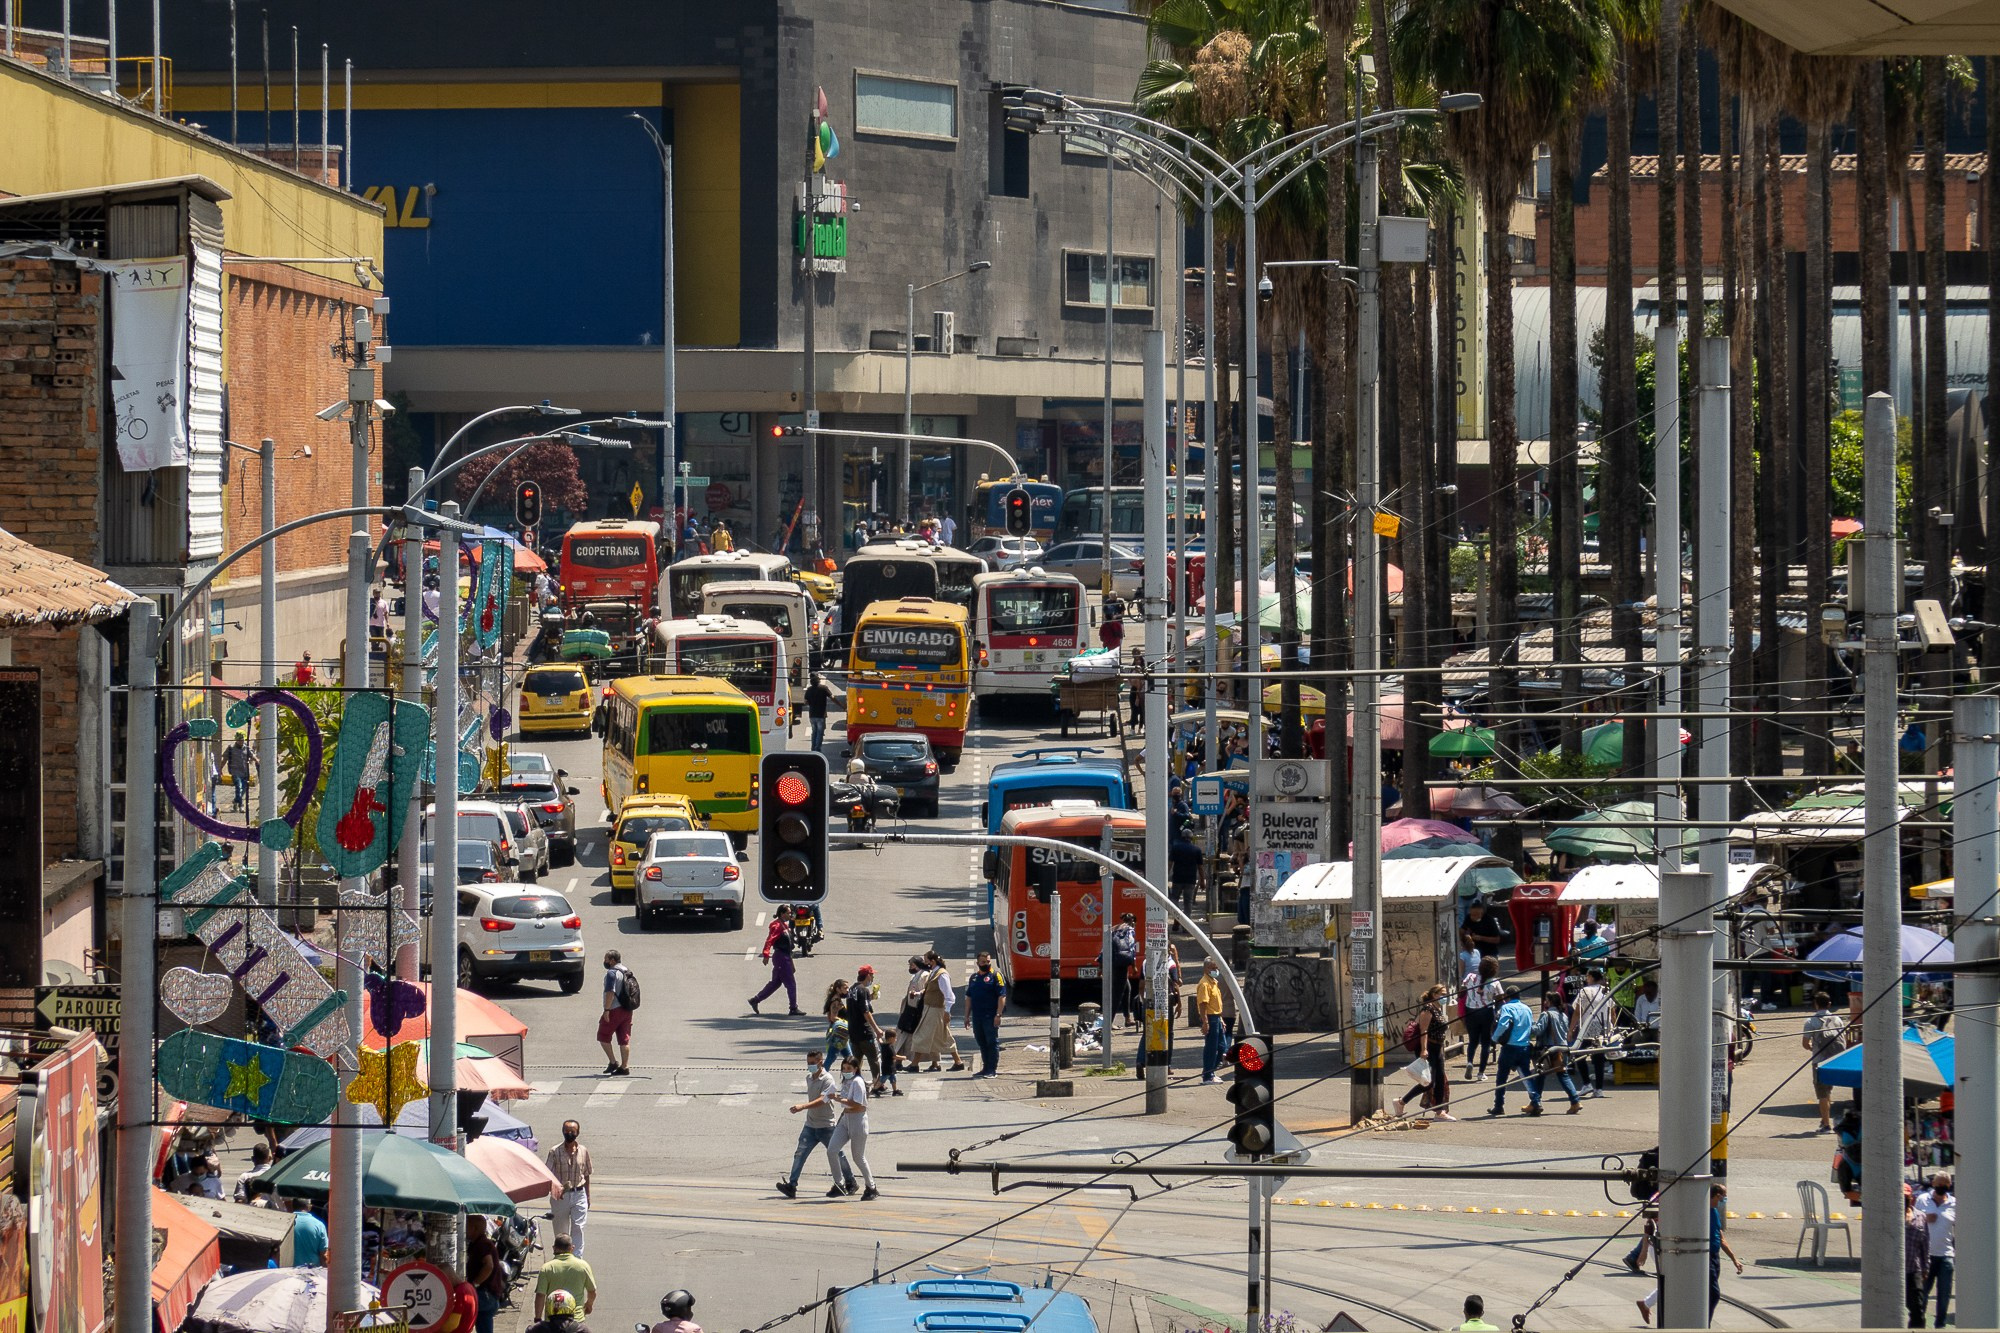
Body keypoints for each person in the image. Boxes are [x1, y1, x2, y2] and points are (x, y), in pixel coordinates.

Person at [777, 1047, 857, 1199]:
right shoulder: (809, 1078)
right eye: (808, 1063)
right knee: (800, 1154)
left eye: (813, 1063)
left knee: (838, 1154)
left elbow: (822, 1100)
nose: (810, 1066)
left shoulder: (828, 1080)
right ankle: (792, 1185)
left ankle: (850, 1181)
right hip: (810, 1125)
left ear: (821, 1062)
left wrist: (802, 1106)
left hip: (826, 1125)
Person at [1394, 984, 1455, 1120]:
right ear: (1434, 995)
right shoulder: (1428, 1009)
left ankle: (1439, 1112)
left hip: (1438, 1049)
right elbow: (1424, 1030)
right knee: (1429, 1082)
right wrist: (1424, 1049)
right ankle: (1401, 1102)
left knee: (1440, 1081)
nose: (1445, 997)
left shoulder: (1438, 1009)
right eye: (1442, 994)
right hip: (1429, 1048)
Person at [827, 1053, 879, 1199]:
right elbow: (846, 1103)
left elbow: (857, 1104)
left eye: (849, 1068)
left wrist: (837, 1099)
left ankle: (871, 1187)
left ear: (856, 1069)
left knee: (858, 1157)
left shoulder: (857, 1082)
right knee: (832, 1150)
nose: (846, 1071)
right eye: (843, 1068)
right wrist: (842, 1114)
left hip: (858, 1120)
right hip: (846, 1119)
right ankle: (839, 1184)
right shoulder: (846, 1082)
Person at [1524, 992, 1582, 1115]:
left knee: (1540, 1075)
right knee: (1563, 1075)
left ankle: (1535, 1103)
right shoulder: (1563, 1015)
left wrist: (1529, 1025)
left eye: (1546, 1000)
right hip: (1562, 1049)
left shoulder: (1546, 1014)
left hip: (1548, 1050)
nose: (1545, 1002)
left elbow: (1538, 1031)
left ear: (1549, 1002)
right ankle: (1575, 1101)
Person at [1802, 989, 1849, 1132]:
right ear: (1829, 1004)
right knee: (1828, 1091)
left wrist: (1814, 1049)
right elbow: (1843, 1039)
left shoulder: (1810, 1022)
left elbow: (1805, 1044)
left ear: (1815, 1004)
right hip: (1836, 1060)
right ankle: (1824, 1120)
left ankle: (1827, 1125)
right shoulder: (1837, 1019)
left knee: (1822, 1094)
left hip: (1819, 1060)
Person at [1486, 986, 1536, 1116]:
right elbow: (1531, 1027)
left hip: (1510, 1047)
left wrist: (1495, 1038)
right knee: (1526, 1075)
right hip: (1524, 1046)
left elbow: (1503, 1024)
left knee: (1502, 1076)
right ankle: (1536, 1101)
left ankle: (1499, 1105)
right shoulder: (1527, 1009)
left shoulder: (1507, 1008)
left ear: (1507, 997)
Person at [545, 1120, 593, 1254]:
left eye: (572, 1131)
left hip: (579, 1194)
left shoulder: (583, 1151)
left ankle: (576, 1258)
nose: (569, 1133)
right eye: (566, 1131)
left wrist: (588, 1196)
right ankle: (562, 1256)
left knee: (578, 1227)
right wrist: (554, 1189)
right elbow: (547, 1173)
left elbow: (587, 1174)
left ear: (578, 1133)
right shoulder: (555, 1151)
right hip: (561, 1196)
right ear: (562, 1131)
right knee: (561, 1230)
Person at [913, 951, 965, 1071]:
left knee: (921, 1035)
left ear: (933, 961)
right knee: (942, 1036)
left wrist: (947, 1011)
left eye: (926, 961)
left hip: (936, 1009)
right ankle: (957, 1062)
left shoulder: (942, 975)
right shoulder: (934, 973)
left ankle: (914, 1064)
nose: (925, 963)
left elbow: (949, 996)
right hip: (930, 1008)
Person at [1571, 968, 1617, 1097]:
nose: (1586, 979)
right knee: (1599, 1058)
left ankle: (1587, 1084)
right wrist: (1613, 1029)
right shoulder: (1606, 991)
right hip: (1603, 1027)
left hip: (1587, 1026)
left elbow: (1577, 1012)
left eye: (1587, 976)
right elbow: (1612, 1012)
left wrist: (1571, 1029)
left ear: (1591, 977)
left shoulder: (1584, 991)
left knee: (1579, 1054)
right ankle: (1599, 1089)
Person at [1917, 1173, 1955, 1328]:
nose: (1943, 1188)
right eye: (1940, 1184)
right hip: (1926, 1254)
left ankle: (1940, 1325)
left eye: (1946, 1185)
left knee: (1944, 1293)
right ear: (1933, 1183)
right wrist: (1926, 1218)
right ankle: (1919, 1324)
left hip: (1946, 1254)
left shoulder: (1954, 1203)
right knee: (1923, 1293)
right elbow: (1912, 1219)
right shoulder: (1922, 1199)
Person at [750, 906, 803, 1015]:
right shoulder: (777, 926)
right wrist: (766, 954)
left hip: (785, 957)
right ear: (782, 914)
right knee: (791, 984)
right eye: (788, 913)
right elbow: (770, 940)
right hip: (781, 957)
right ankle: (793, 1008)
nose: (790, 915)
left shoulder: (785, 925)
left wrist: (791, 962)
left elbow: (789, 947)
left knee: (775, 983)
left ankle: (755, 1000)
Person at [964, 952, 1006, 1077]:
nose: (986, 964)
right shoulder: (974, 978)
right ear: (978, 963)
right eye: (983, 962)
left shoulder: (995, 976)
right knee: (981, 1041)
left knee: (991, 1042)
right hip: (977, 1016)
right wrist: (966, 1016)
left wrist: (998, 1014)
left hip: (990, 1016)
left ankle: (992, 1070)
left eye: (988, 961)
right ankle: (985, 1067)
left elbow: (1002, 996)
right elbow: (969, 998)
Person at [534, 1235, 597, 1319]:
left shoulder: (547, 1268)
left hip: (552, 1321)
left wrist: (537, 1318)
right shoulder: (583, 1266)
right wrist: (589, 1304)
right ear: (572, 1248)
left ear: (554, 1248)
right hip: (576, 1319)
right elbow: (592, 1291)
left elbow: (540, 1295)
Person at [1462, 956, 1503, 1082]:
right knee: (1485, 1042)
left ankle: (1469, 1062)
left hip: (1470, 1011)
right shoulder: (1495, 982)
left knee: (1472, 1040)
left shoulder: (1470, 977)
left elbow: (1462, 990)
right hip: (1486, 1012)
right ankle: (1481, 1073)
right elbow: (1501, 997)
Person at [847, 966, 885, 1090]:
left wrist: (871, 997)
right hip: (864, 1031)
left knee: (856, 1059)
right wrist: (877, 1029)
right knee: (873, 1057)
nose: (872, 978)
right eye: (872, 975)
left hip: (853, 1030)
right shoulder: (863, 990)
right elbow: (866, 1012)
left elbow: (857, 1006)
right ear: (868, 975)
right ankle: (877, 1083)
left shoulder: (852, 989)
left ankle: (853, 1081)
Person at [598, 951, 634, 1075]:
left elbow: (610, 993)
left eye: (606, 959)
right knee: (624, 1039)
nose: (605, 961)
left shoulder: (611, 973)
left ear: (612, 960)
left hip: (614, 1009)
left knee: (603, 1036)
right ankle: (624, 1067)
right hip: (627, 1009)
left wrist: (606, 1010)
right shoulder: (626, 971)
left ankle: (613, 1062)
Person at [1709, 1183, 1742, 1319]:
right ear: (1717, 1195)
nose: (1725, 1199)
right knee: (1714, 1294)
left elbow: (1721, 1238)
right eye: (1724, 1196)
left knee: (1710, 1293)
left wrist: (1734, 1259)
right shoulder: (1703, 1213)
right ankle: (1705, 1324)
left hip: (1715, 1257)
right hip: (1706, 1257)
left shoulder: (1715, 1212)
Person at [466, 1214, 504, 1333]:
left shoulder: (483, 1244)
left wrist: (474, 1284)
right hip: (489, 1294)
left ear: (474, 1228)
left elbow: (489, 1265)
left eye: (467, 1226)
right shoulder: (477, 1243)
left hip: (486, 1294)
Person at [1196, 958, 1228, 1083]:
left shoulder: (1214, 982)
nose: (1215, 970)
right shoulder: (1204, 984)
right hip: (1210, 1018)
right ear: (1205, 969)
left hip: (1217, 1017)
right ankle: (1208, 1075)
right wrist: (1205, 1022)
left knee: (1222, 1046)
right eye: (1212, 968)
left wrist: (1221, 1019)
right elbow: (1203, 1004)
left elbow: (1216, 1004)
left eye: (1216, 968)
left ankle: (1211, 1071)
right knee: (1211, 1047)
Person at [1905, 1184, 1932, 1330]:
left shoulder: (1920, 1217)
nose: (1903, 1200)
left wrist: (1926, 1267)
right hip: (1894, 1270)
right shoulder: (1890, 1217)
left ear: (1911, 1198)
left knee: (1918, 1309)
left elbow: (1925, 1244)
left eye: (1906, 1197)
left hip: (1913, 1269)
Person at [1109, 913, 1140, 1028]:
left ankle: (1127, 1018)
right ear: (1133, 922)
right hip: (1121, 964)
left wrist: (1101, 966)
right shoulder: (1130, 930)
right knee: (1117, 994)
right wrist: (1134, 966)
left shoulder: (1114, 929)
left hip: (1112, 962)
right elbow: (1131, 948)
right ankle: (1108, 1024)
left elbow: (1105, 947)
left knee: (1127, 989)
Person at [823, 978, 853, 1063]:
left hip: (841, 1033)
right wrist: (845, 1023)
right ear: (838, 989)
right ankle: (821, 1075)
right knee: (831, 1058)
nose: (847, 990)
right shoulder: (836, 1001)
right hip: (838, 1034)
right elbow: (833, 1017)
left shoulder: (837, 999)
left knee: (849, 1058)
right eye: (845, 988)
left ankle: (850, 1075)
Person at [222, 734, 255, 812]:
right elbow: (225, 759)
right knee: (238, 787)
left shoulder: (246, 748)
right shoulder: (231, 748)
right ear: (236, 740)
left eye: (242, 740)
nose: (241, 741)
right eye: (240, 740)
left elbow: (252, 756)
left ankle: (235, 801)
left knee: (243, 789)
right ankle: (241, 805)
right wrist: (220, 769)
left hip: (245, 772)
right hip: (235, 772)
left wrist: (257, 760)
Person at [291, 1201, 329, 1267]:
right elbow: (324, 1255)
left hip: (286, 1273)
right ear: (309, 1207)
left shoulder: (284, 1223)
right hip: (312, 1272)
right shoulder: (319, 1225)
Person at [805, 675, 834, 752]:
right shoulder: (823, 688)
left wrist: (811, 703)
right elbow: (832, 697)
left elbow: (806, 701)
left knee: (814, 732)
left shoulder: (809, 690)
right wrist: (842, 706)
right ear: (819, 681)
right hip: (821, 714)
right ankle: (817, 748)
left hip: (812, 715)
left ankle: (813, 747)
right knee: (820, 732)